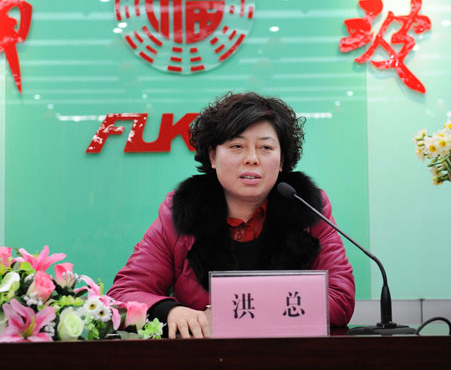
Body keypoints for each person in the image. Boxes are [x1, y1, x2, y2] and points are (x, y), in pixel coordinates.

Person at [107, 92, 355, 338]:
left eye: (266, 147)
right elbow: (122, 296)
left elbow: (340, 300)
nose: (252, 159)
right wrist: (170, 312)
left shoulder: (308, 209)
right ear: (213, 156)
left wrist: (236, 313)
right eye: (237, 146)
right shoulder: (181, 213)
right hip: (206, 356)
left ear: (281, 161)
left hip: (288, 354)